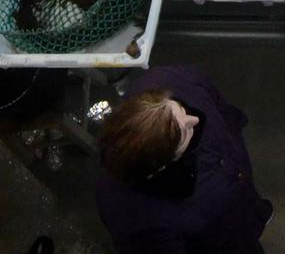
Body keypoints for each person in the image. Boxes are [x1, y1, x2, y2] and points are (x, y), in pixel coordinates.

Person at [95, 65, 272, 253]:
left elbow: (220, 105)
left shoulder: (168, 79)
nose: (194, 120)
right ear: (160, 166)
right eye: (184, 132)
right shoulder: (139, 218)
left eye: (180, 108)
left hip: (242, 207)